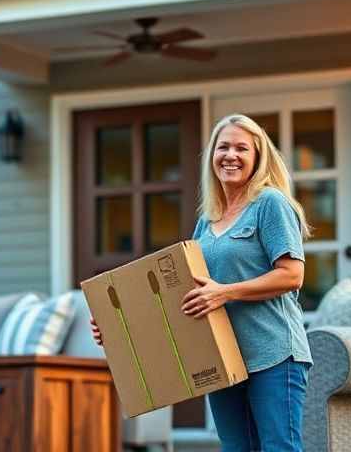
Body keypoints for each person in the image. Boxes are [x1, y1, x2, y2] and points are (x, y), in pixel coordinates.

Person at [90, 113, 313, 451]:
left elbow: (292, 274)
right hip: (224, 357)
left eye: (242, 148)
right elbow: (184, 295)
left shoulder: (270, 203)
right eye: (223, 147)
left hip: (274, 353)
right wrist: (119, 327)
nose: (231, 155)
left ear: (257, 158)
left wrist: (226, 292)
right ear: (212, 156)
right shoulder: (208, 222)